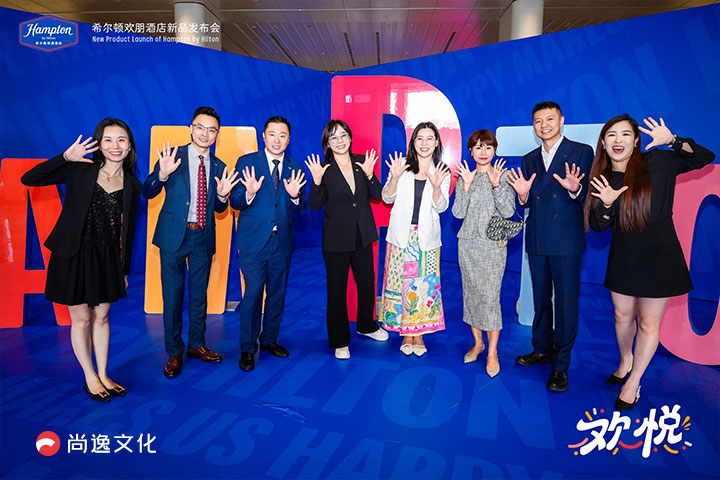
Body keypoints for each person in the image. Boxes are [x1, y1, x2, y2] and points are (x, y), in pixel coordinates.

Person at [584, 115, 714, 411]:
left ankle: (633, 382)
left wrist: (673, 141)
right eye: (611, 135)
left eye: (625, 134)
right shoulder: (602, 178)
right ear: (603, 143)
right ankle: (625, 361)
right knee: (622, 316)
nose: (618, 140)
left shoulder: (659, 162)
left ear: (636, 140)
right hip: (624, 255)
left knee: (648, 322)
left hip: (660, 254)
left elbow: (705, 157)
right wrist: (607, 204)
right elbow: (598, 225)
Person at [21, 118, 142, 401]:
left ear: (129, 146)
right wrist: (65, 157)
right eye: (108, 139)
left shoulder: (133, 185)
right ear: (99, 144)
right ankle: (90, 376)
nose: (115, 146)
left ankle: (104, 374)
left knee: (102, 317)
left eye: (121, 140)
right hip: (73, 254)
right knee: (83, 320)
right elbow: (29, 178)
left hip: (107, 257)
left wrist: (124, 270)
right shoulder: (80, 170)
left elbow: (127, 231)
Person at [142, 106, 239, 378]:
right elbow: (147, 191)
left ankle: (197, 344)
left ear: (217, 134)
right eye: (200, 127)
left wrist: (223, 196)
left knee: (199, 296)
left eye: (211, 130)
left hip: (202, 237)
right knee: (172, 298)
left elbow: (220, 209)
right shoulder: (172, 156)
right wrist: (162, 175)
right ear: (191, 128)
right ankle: (174, 351)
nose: (205, 133)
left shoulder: (219, 166)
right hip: (173, 235)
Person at [507, 101, 593, 392]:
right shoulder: (529, 158)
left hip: (566, 239)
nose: (544, 125)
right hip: (537, 237)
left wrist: (576, 189)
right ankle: (541, 348)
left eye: (549, 119)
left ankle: (561, 365)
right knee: (540, 298)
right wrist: (522, 197)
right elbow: (529, 200)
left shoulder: (581, 151)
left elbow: (587, 195)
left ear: (561, 120)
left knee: (566, 301)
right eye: (538, 121)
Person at [306, 120, 389, 360]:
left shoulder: (362, 162)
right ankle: (340, 340)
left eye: (343, 135)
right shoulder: (324, 169)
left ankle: (366, 325)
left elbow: (377, 195)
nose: (340, 141)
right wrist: (317, 182)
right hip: (336, 240)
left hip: (362, 235)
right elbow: (315, 205)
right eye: (333, 137)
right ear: (327, 143)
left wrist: (371, 175)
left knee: (367, 285)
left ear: (350, 138)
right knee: (336, 291)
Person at [230, 115, 307, 372]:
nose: (277, 140)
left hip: (281, 244)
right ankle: (247, 347)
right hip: (253, 242)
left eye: (282, 135)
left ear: (289, 139)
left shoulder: (296, 168)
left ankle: (269, 339)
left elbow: (302, 208)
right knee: (253, 293)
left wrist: (295, 197)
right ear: (263, 136)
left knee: (277, 293)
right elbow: (235, 200)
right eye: (272, 134)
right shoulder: (247, 163)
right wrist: (249, 193)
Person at [380, 122, 451, 356]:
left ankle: (418, 333)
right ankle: (405, 332)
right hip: (401, 235)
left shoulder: (442, 170)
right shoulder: (402, 166)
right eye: (419, 138)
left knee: (422, 285)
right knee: (398, 283)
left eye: (429, 138)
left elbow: (441, 207)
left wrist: (437, 187)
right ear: (413, 142)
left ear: (437, 142)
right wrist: (394, 178)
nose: (424, 143)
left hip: (425, 238)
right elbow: (387, 198)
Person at [452, 130, 515, 377]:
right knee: (471, 295)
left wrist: (497, 185)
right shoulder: (465, 177)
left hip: (492, 247)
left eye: (488, 147)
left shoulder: (504, 176)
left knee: (490, 298)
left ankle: (492, 352)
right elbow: (458, 213)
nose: (483, 152)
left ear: (495, 150)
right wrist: (466, 186)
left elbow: (508, 211)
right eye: (478, 147)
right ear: (470, 151)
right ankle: (478, 344)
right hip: (468, 245)